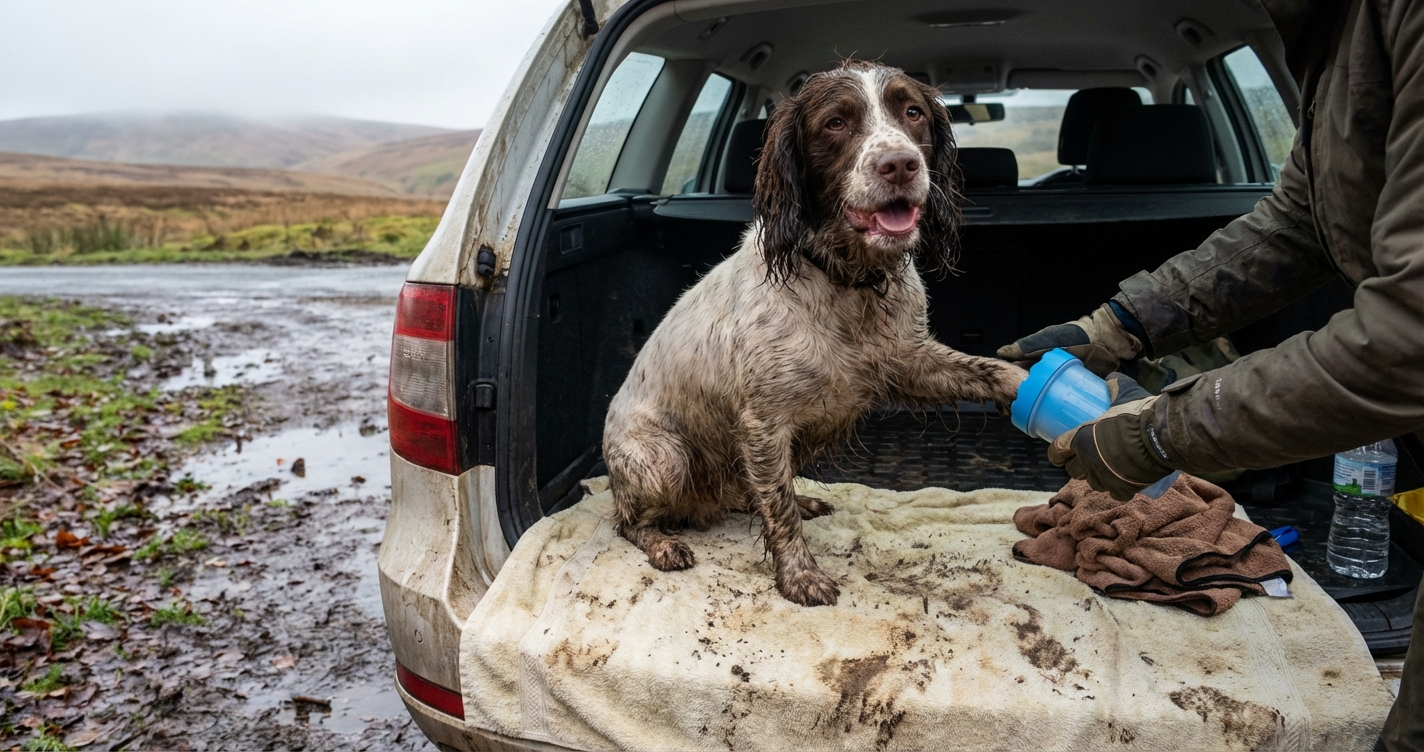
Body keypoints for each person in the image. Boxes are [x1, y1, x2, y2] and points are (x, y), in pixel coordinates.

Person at [996, 0, 1424, 746]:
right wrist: (1118, 327)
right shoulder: (1334, 30)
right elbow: (1300, 221)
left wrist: (1159, 434)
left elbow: (1410, 334)